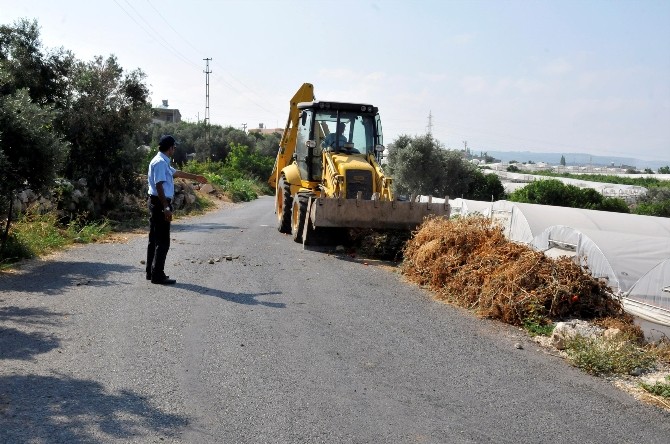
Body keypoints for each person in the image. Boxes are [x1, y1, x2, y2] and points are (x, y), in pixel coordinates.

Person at [146, 135, 208, 285]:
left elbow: (177, 173)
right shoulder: (161, 162)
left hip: (155, 202)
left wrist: (196, 177)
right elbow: (159, 185)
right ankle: (158, 275)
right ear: (170, 148)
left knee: (154, 239)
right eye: (174, 147)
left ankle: (151, 272)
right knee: (163, 241)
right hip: (160, 203)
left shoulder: (161, 160)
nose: (174, 149)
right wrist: (166, 207)